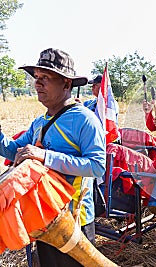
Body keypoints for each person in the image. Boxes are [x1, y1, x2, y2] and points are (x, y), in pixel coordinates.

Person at [0, 48, 106, 266]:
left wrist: (44, 156)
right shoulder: (39, 122)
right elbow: (14, 151)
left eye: (45, 78)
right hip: (43, 219)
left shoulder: (85, 120)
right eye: (37, 78)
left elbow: (97, 167)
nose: (38, 83)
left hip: (73, 220)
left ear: (67, 84)